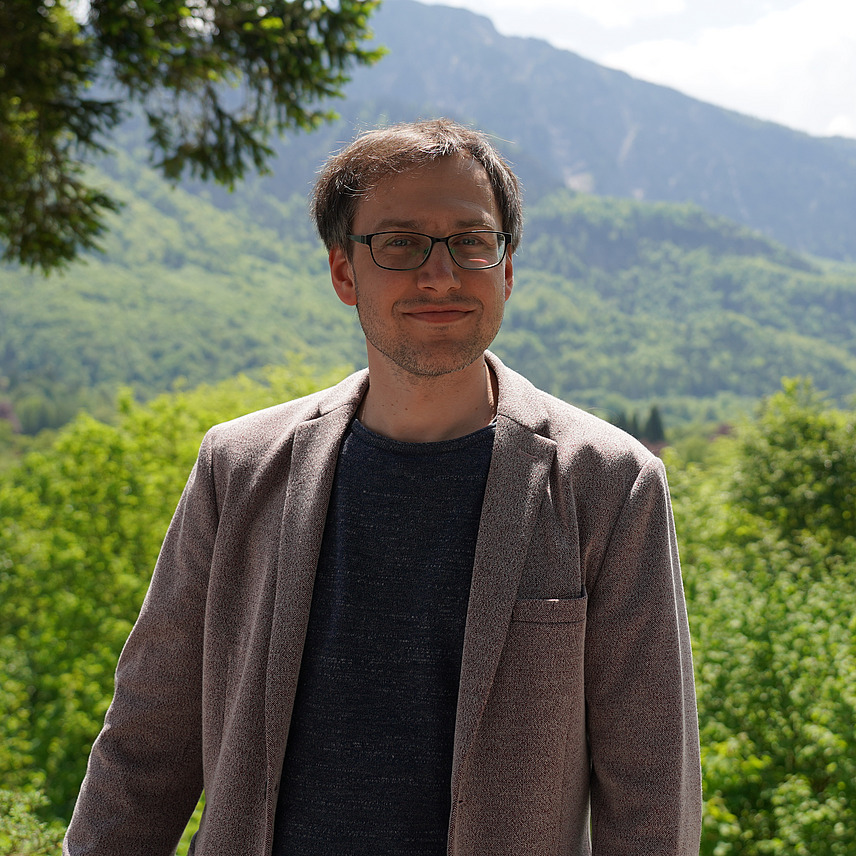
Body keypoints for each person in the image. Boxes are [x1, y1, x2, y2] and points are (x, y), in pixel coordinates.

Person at [64, 118, 702, 855]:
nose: (441, 276)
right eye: (400, 244)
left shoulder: (608, 484)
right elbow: (146, 745)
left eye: (471, 242)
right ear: (344, 272)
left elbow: (652, 789)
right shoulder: (239, 468)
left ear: (506, 269)